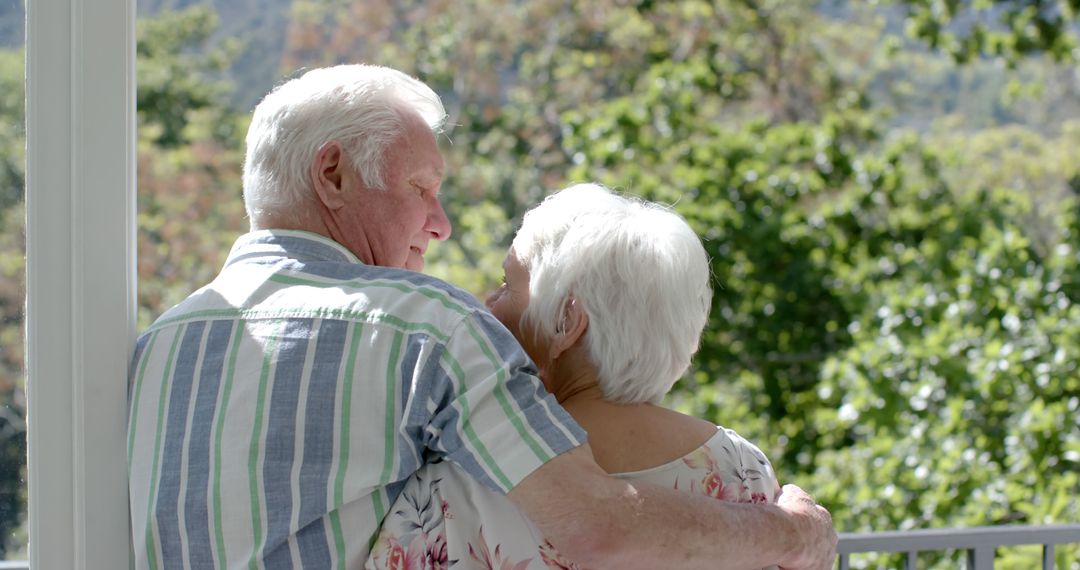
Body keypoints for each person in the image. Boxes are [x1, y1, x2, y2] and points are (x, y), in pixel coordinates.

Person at [126, 64, 836, 569]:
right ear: (333, 173)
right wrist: (792, 537)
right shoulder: (426, 327)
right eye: (422, 187)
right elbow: (597, 530)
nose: (440, 224)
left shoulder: (158, 344)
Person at [368, 183, 786, 570]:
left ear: (566, 322)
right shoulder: (741, 467)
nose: (488, 306)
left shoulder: (464, 481)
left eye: (505, 285)